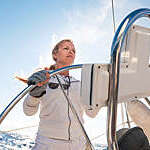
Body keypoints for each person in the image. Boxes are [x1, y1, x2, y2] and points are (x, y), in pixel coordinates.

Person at [23, 39, 99, 150]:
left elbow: (91, 114)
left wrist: (97, 96)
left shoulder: (80, 84)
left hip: (78, 144)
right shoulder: (43, 79)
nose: (71, 52)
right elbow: (28, 111)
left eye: (73, 50)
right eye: (66, 48)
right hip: (48, 144)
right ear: (55, 54)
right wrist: (35, 94)